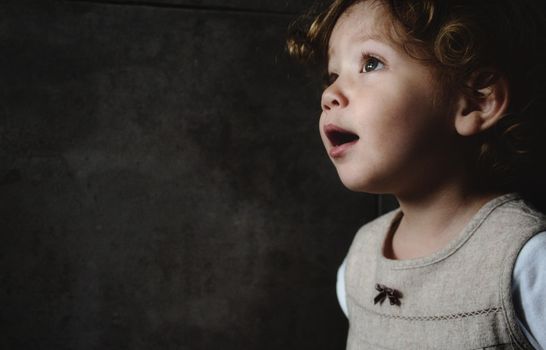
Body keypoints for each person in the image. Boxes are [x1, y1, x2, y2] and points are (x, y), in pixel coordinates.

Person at [286, 0, 546, 348]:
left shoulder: (525, 261)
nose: (330, 95)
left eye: (370, 63)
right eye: (333, 76)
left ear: (475, 101)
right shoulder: (359, 262)